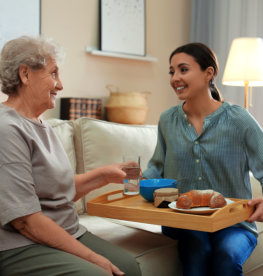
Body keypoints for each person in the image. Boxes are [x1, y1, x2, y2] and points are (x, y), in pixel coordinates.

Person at [0, 36, 141, 276]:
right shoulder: (7, 129)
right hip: (22, 244)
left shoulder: (41, 124)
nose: (60, 85)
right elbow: (25, 221)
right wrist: (93, 258)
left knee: (129, 267)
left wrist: (104, 175)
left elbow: (54, 191)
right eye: (53, 74)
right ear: (25, 74)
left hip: (65, 230)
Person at [142, 42, 263, 276]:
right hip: (183, 220)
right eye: (172, 71)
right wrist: (135, 182)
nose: (175, 77)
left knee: (226, 257)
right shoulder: (168, 119)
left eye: (183, 69)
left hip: (233, 223)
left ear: (209, 73)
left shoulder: (239, 119)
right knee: (197, 252)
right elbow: (156, 167)